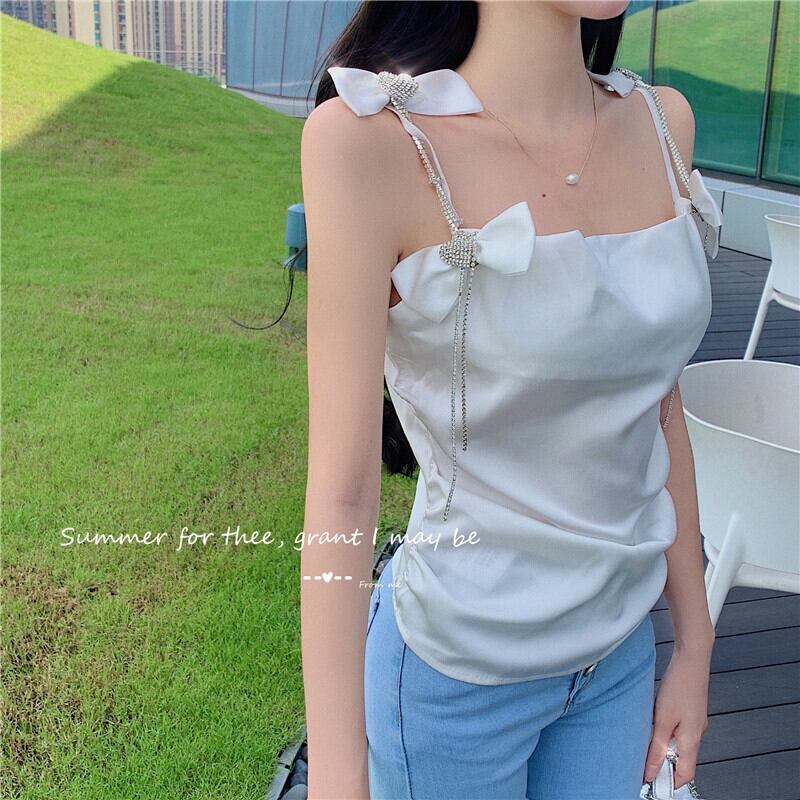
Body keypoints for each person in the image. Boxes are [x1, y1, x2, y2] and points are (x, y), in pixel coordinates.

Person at [300, 2, 720, 798]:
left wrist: (694, 645)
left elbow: (660, 411)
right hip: (456, 681)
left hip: (617, 658)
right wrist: (338, 777)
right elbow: (343, 495)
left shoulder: (665, 125)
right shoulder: (370, 145)